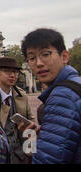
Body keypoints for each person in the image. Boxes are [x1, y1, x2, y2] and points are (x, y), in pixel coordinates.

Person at [21, 28, 81, 164]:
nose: (39, 63)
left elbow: (49, 159)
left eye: (45, 54)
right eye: (31, 58)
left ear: (64, 56)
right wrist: (46, 137)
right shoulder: (76, 84)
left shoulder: (63, 95)